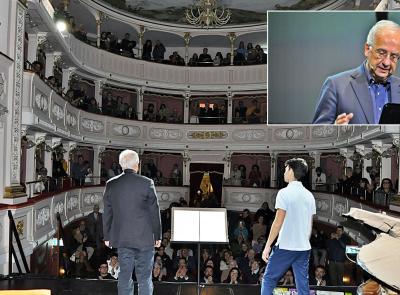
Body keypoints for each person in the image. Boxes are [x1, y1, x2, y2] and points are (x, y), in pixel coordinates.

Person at [313, 20, 400, 124]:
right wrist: (334, 132)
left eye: (394, 56)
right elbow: (317, 135)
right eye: (381, 53)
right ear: (367, 49)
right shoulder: (335, 85)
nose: (386, 62)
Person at [103, 150, 162, 295]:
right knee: (145, 279)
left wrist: (107, 236)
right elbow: (155, 211)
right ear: (137, 165)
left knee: (124, 277)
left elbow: (107, 213)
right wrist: (158, 235)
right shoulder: (147, 183)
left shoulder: (111, 184)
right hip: (145, 239)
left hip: (123, 239)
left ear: (122, 165)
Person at [261, 158, 316, 295]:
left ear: (291, 170)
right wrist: (303, 241)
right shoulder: (310, 196)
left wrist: (268, 245)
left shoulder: (284, 193)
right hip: (304, 247)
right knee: (302, 284)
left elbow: (278, 221)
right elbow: (310, 224)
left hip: (286, 246)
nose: (284, 173)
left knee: (268, 279)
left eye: (286, 169)